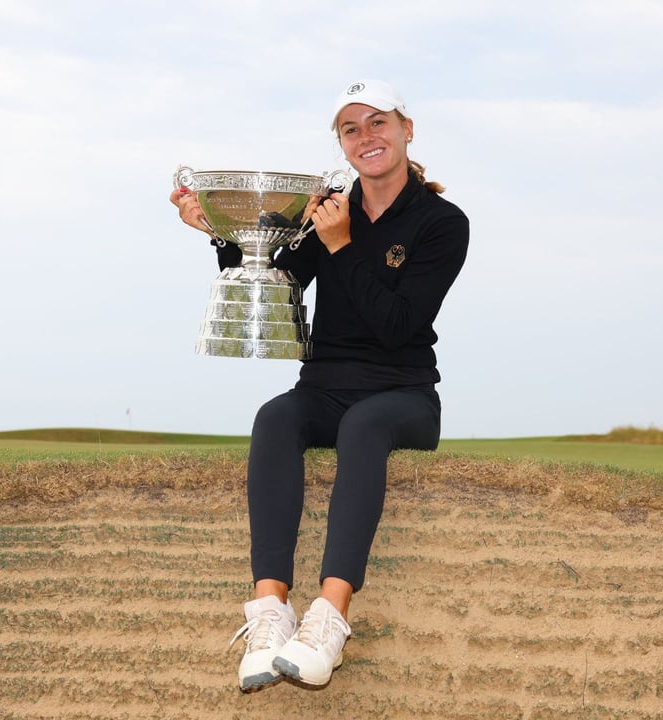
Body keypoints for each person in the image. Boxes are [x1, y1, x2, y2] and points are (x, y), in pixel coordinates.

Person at [169, 79, 469, 691]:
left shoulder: (442, 223)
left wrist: (344, 245)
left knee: (364, 426)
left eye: (378, 122)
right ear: (341, 143)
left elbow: (397, 326)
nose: (367, 137)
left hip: (404, 392)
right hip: (324, 385)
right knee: (275, 416)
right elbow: (276, 285)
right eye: (351, 129)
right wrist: (224, 235)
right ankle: (271, 616)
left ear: (407, 130)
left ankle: (328, 620)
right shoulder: (324, 206)